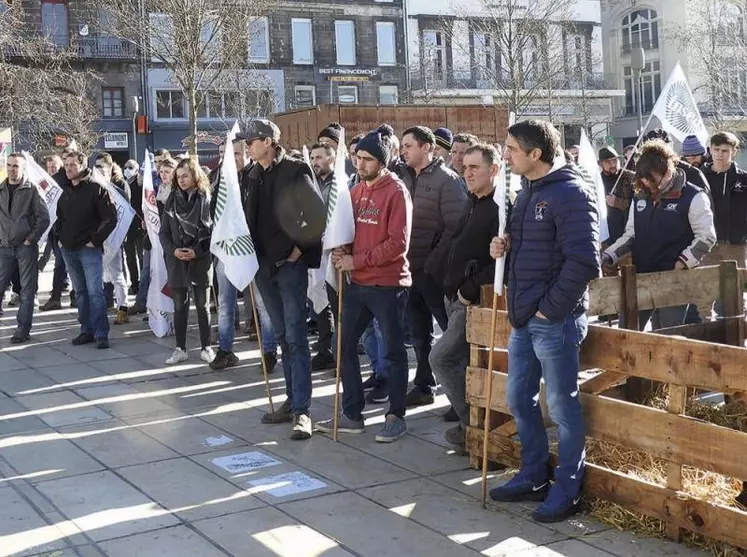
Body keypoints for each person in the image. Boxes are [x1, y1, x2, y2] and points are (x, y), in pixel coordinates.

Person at [488, 120, 600, 523]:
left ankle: (567, 488)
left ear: (536, 154)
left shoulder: (570, 193)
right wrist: (503, 247)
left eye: (512, 149)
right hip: (524, 317)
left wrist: (549, 309)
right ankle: (534, 474)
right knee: (518, 397)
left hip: (553, 319)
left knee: (562, 406)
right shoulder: (525, 194)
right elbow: (533, 249)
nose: (506, 155)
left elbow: (586, 260)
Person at [316, 125, 413, 442]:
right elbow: (347, 232)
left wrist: (358, 260)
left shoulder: (397, 192)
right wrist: (341, 249)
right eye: (358, 158)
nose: (360, 164)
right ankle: (352, 413)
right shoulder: (355, 191)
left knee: (395, 353)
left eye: (368, 159)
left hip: (387, 284)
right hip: (357, 285)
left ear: (382, 161)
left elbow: (398, 243)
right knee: (342, 347)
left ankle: (396, 415)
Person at [242, 119, 326, 440]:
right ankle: (291, 401)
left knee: (296, 337)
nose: (247, 146)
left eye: (251, 140)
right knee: (280, 334)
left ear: (268, 141)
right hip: (261, 266)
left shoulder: (294, 170)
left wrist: (297, 251)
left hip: (288, 266)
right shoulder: (250, 174)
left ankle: (302, 411)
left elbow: (317, 215)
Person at [430, 143, 501, 451]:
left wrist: (468, 290)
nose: (467, 172)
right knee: (461, 361)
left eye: (475, 167)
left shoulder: (500, 209)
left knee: (441, 358)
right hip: (453, 296)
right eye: (465, 167)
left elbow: (500, 263)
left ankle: (474, 425)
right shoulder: (472, 200)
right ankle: (473, 425)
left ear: (494, 170)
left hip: (471, 301)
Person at [603, 140, 716, 330]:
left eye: (652, 179)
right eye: (643, 180)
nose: (648, 184)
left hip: (674, 279)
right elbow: (631, 235)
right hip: (640, 278)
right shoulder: (640, 196)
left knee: (669, 335)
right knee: (627, 330)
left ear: (669, 170)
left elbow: (706, 237)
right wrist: (609, 255)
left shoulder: (694, 196)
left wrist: (682, 262)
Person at [400, 125, 466, 407]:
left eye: (408, 146)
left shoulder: (446, 180)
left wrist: (432, 263)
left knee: (449, 335)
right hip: (407, 269)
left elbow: (455, 227)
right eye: (402, 146)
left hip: (433, 272)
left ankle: (461, 397)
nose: (403, 151)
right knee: (418, 334)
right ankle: (424, 385)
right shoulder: (401, 177)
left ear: (426, 147)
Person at [211, 133, 278, 371]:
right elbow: (214, 212)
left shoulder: (256, 175)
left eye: (237, 153)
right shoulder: (220, 178)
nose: (231, 158)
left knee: (263, 305)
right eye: (224, 154)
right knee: (225, 303)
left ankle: (269, 352)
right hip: (228, 249)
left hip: (255, 250)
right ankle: (225, 349)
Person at [56, 151, 117, 349]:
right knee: (80, 292)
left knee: (95, 293)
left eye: (73, 165)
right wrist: (59, 239)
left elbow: (110, 218)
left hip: (88, 249)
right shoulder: (65, 190)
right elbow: (59, 218)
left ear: (83, 165)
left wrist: (95, 240)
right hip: (68, 249)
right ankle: (86, 330)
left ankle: (101, 334)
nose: (69, 168)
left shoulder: (96, 189)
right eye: (66, 165)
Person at [159, 158, 214, 365]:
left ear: (195, 176)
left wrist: (196, 252)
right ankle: (180, 349)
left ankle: (206, 347)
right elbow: (163, 233)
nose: (181, 180)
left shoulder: (206, 198)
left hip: (200, 260)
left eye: (185, 176)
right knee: (180, 307)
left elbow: (212, 232)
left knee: (203, 306)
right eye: (178, 176)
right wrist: (174, 251)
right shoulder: (171, 200)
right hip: (177, 261)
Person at [0, 154, 50, 343]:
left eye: (16, 166)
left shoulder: (32, 189)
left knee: (27, 291)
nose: (12, 169)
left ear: (23, 168)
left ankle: (23, 329)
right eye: (9, 165)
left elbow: (43, 218)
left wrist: (31, 238)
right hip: (3, 247)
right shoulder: (1, 188)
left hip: (25, 248)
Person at [130, 158, 177, 316]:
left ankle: (172, 311)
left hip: (170, 241)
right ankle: (154, 308)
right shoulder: (159, 189)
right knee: (150, 273)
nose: (163, 175)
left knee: (171, 277)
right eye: (161, 172)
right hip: (153, 239)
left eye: (167, 172)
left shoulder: (177, 192)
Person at [309, 142, 338, 371]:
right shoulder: (312, 182)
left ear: (331, 158)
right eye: (312, 157)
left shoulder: (340, 184)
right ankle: (325, 348)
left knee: (336, 301)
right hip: (315, 249)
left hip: (334, 249)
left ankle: (338, 350)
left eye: (319, 157)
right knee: (319, 300)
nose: (315, 161)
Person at [94, 153, 131, 325]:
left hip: (113, 239)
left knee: (117, 275)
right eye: (97, 166)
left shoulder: (119, 192)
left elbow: (125, 215)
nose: (99, 169)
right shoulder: (92, 190)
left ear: (110, 168)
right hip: (96, 239)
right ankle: (99, 308)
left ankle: (123, 308)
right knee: (98, 276)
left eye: (102, 166)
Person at [40, 153, 73, 311]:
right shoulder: (50, 179)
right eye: (49, 166)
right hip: (54, 230)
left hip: (62, 229)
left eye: (54, 165)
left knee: (62, 264)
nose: (51, 168)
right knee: (63, 264)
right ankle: (63, 296)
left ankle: (56, 297)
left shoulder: (61, 180)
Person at [598, 146, 635, 245]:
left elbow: (639, 205)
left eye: (615, 160)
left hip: (626, 235)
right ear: (601, 164)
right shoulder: (597, 181)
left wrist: (617, 202)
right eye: (608, 162)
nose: (613, 164)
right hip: (605, 236)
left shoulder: (631, 178)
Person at [123, 159, 143, 296]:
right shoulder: (123, 185)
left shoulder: (140, 184)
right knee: (130, 258)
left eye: (130, 167)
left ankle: (144, 284)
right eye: (125, 167)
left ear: (136, 170)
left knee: (142, 257)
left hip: (140, 227)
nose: (127, 170)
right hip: (127, 228)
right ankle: (134, 284)